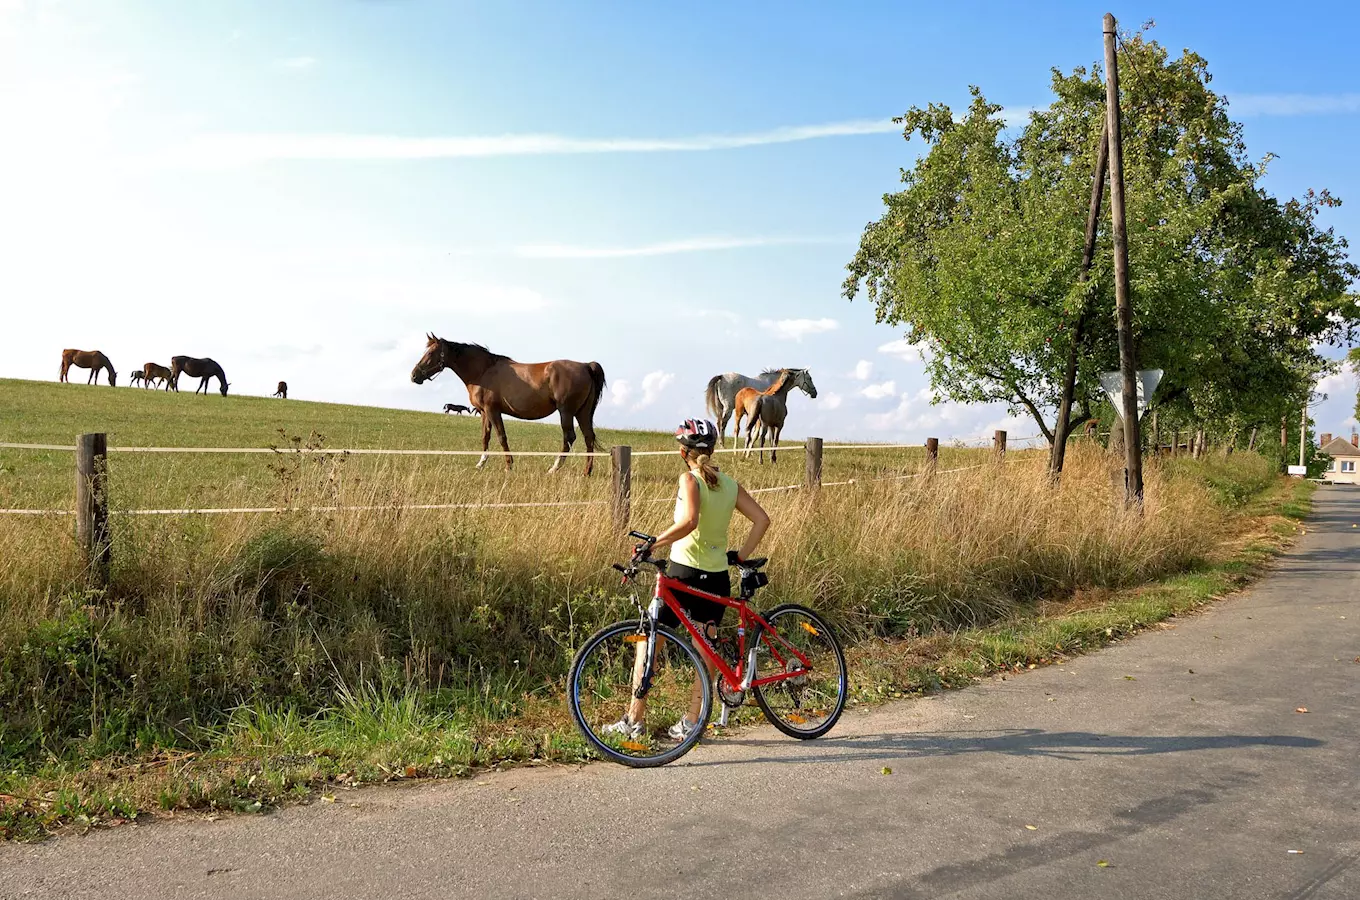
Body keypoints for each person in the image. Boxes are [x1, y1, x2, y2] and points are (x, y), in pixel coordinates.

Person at [606, 418, 770, 741]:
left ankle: (633, 720)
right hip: (716, 579)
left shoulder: (689, 479)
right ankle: (693, 721)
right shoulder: (730, 484)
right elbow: (763, 520)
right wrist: (739, 555)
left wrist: (653, 543)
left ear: (684, 452)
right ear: (712, 449)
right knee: (704, 650)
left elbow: (690, 521)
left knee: (649, 641)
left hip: (682, 575)